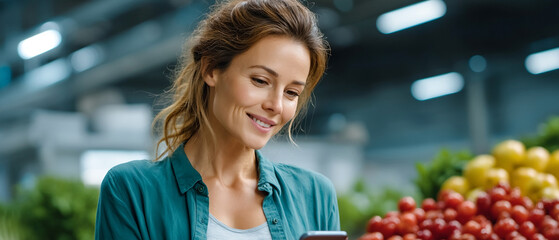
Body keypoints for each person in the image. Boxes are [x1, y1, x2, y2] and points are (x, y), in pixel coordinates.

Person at [94, 0, 339, 239]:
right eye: (260, 80)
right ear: (211, 68)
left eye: (291, 93)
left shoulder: (316, 196)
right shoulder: (131, 190)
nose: (275, 105)